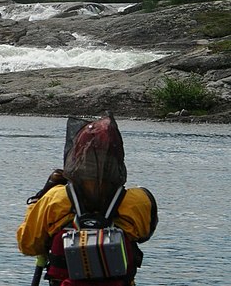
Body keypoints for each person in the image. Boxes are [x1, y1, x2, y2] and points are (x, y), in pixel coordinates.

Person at [17, 113, 158, 285]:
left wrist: (37, 199)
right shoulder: (139, 201)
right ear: (117, 157)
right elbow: (144, 234)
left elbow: (28, 245)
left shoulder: (55, 198)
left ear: (77, 156)